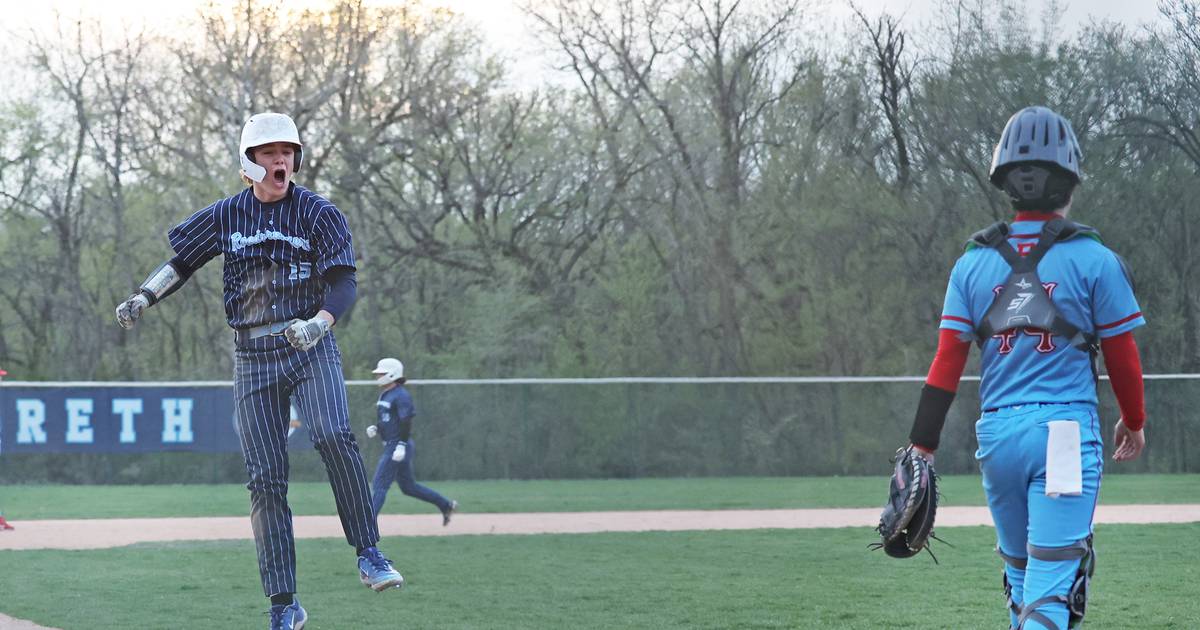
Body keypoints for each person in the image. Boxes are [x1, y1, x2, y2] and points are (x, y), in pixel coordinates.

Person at [114, 112, 404, 630]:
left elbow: (343, 281)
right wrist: (144, 295)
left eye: (287, 151)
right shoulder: (228, 215)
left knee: (334, 434)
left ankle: (369, 553)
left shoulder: (318, 214)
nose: (281, 160)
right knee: (265, 480)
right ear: (248, 163)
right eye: (269, 153)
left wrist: (320, 323)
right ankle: (283, 605)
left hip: (308, 344)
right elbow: (182, 261)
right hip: (252, 357)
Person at [905, 106, 1146, 630]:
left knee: (1020, 585)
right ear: (1069, 181)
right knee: (1051, 594)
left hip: (996, 435)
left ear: (1005, 181)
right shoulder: (1094, 258)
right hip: (1063, 435)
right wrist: (1134, 419)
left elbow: (947, 359)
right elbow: (1123, 355)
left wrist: (921, 446)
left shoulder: (971, 262)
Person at [365, 357, 458, 525]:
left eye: (381, 373)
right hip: (393, 445)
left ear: (392, 374)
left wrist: (401, 445)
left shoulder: (401, 395)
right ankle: (446, 505)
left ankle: (367, 524)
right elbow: (389, 420)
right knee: (408, 487)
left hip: (397, 446)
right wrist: (377, 428)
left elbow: (405, 421)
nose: (378, 376)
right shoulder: (386, 393)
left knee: (379, 484)